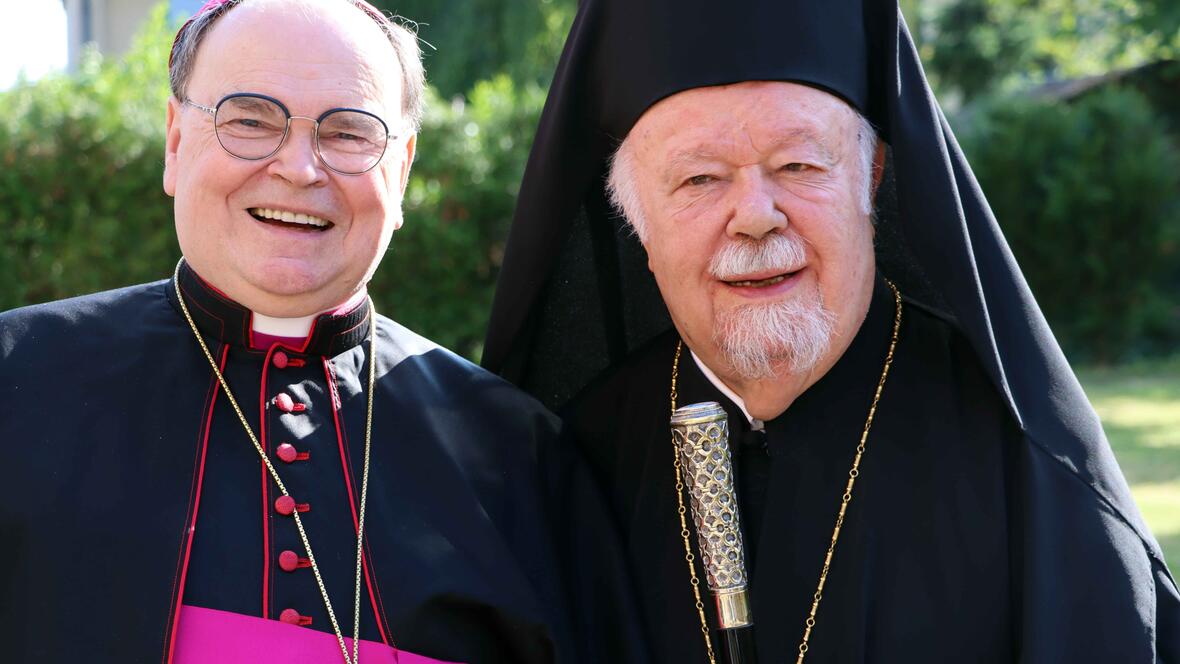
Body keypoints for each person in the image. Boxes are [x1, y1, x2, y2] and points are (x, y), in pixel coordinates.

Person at [482, 0, 1180, 661]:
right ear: (637, 221)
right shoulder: (575, 468)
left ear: (870, 179)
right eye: (699, 180)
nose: (756, 216)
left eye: (798, 165)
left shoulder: (1026, 470)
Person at [0, 1, 643, 662]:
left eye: (348, 133)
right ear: (174, 142)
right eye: (250, 120)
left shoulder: (518, 456)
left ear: (401, 169)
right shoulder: (16, 384)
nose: (300, 169)